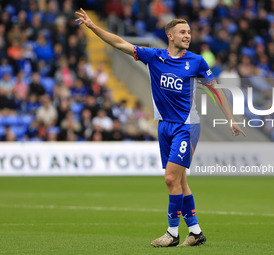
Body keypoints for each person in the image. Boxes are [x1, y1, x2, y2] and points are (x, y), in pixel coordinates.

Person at [75, 8, 245, 247]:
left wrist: (230, 119)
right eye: (182, 32)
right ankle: (195, 232)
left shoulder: (196, 61)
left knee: (169, 179)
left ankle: (172, 233)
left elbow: (216, 90)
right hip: (164, 125)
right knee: (180, 181)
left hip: (186, 126)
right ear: (170, 36)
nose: (187, 35)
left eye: (189, 32)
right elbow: (120, 43)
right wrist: (93, 27)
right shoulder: (154, 57)